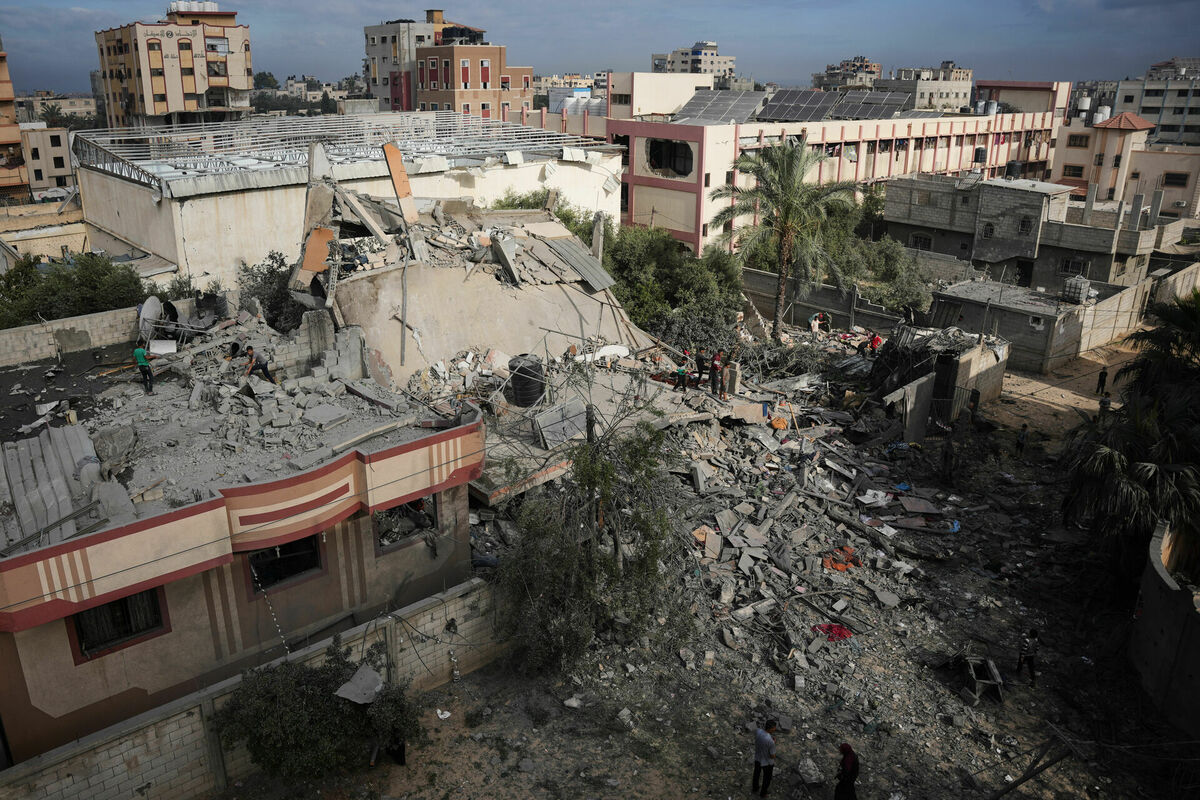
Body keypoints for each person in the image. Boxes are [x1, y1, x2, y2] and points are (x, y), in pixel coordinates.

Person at [752, 719, 777, 797]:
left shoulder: (758, 731)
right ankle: (763, 793)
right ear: (770, 729)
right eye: (774, 728)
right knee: (767, 778)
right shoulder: (770, 741)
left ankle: (755, 788)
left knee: (756, 774)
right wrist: (773, 743)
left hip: (758, 758)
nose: (775, 729)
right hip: (767, 762)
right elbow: (772, 755)